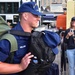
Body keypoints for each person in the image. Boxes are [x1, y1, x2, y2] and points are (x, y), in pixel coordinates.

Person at [0, 1, 44, 75]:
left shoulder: (34, 37)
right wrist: (20, 67)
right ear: (25, 16)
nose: (39, 18)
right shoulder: (10, 40)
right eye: (35, 15)